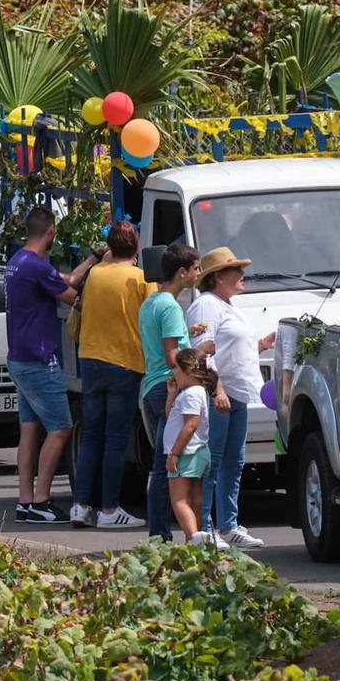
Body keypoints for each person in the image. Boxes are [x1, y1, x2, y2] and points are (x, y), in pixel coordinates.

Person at [3, 206, 101, 523]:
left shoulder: (18, 262)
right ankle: (42, 501)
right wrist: (98, 267)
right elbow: (72, 292)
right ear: (51, 232)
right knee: (60, 428)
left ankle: (25, 500)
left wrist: (91, 259)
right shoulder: (35, 266)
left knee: (30, 430)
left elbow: (60, 278)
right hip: (38, 359)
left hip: (19, 356)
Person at [186, 247, 277, 548]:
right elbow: (203, 351)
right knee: (212, 460)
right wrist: (218, 389)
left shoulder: (226, 304)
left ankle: (227, 524)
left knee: (233, 460)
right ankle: (206, 527)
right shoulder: (207, 306)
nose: (241, 274)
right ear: (217, 278)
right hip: (220, 395)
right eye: (234, 269)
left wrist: (261, 344)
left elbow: (232, 348)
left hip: (235, 395)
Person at [70, 220, 151, 529]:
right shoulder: (140, 279)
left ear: (110, 247)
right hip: (124, 361)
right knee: (115, 440)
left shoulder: (94, 276)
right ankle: (108, 509)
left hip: (90, 359)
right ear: (136, 247)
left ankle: (80, 505)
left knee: (91, 435)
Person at [138, 245, 201, 539]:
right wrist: (200, 351)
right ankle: (159, 534)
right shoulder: (171, 306)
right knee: (167, 465)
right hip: (168, 386)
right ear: (182, 272)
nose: (198, 274)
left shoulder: (151, 302)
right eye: (196, 268)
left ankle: (158, 533)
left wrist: (191, 333)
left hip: (152, 385)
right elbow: (172, 356)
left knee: (161, 464)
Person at [163, 348, 219, 545]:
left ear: (188, 371)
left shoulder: (190, 395)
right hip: (199, 453)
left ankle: (194, 537)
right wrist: (172, 394)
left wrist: (174, 453)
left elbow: (190, 424)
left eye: (176, 368)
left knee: (179, 500)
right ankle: (193, 537)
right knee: (195, 500)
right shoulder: (194, 392)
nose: (173, 372)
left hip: (187, 453)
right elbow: (171, 415)